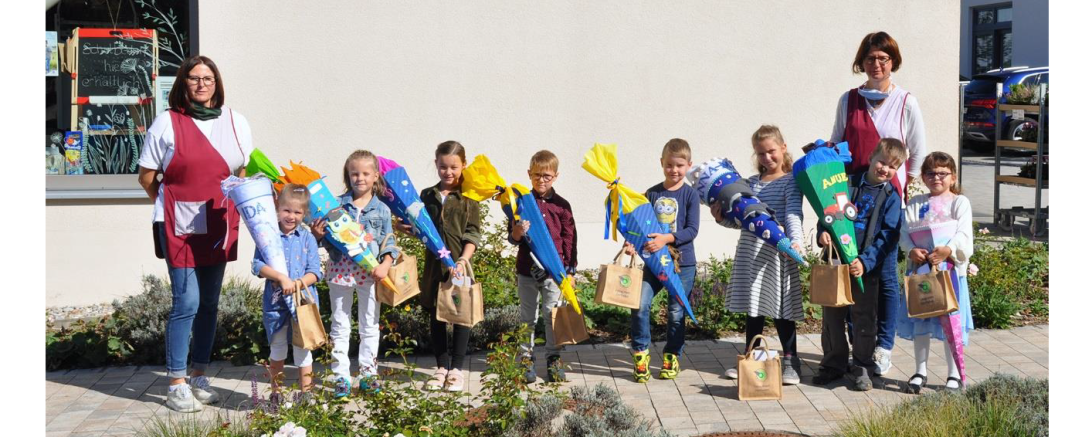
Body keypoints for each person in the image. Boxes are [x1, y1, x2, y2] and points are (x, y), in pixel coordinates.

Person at [137, 55, 253, 413]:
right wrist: (170, 205)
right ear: (183, 84)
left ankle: (199, 375)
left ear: (216, 83)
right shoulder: (166, 123)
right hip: (179, 225)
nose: (201, 84)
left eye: (208, 78)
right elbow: (146, 176)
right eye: (194, 78)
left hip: (218, 223)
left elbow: (242, 172)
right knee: (185, 302)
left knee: (209, 304)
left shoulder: (236, 121)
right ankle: (175, 382)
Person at [813, 139, 907, 391]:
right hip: (838, 263)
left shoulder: (891, 197)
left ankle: (863, 366)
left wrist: (865, 262)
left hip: (866, 268)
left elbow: (888, 235)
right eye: (882, 162)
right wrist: (823, 232)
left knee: (864, 319)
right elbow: (827, 211)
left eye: (893, 167)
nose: (885, 169)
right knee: (832, 317)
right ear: (871, 156)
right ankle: (834, 364)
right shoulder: (847, 183)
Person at [720, 126, 805, 385]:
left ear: (783, 148)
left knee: (782, 309)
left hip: (779, 254)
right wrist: (721, 217)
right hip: (750, 253)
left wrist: (797, 243)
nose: (767, 158)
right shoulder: (749, 184)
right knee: (753, 309)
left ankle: (791, 362)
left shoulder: (791, 181)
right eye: (761, 153)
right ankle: (752, 357)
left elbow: (792, 213)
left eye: (771, 151)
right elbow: (740, 221)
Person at [311, 150, 398, 399]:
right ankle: (341, 376)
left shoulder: (381, 209)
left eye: (365, 173)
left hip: (371, 274)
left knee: (369, 324)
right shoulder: (334, 206)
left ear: (375, 176)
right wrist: (317, 235)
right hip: (340, 271)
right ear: (348, 176)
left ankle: (369, 374)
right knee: (340, 324)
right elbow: (324, 241)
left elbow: (389, 242)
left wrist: (386, 264)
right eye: (354, 173)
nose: (359, 178)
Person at [897, 152, 975, 393]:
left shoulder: (959, 202)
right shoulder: (915, 203)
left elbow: (963, 233)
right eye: (931, 173)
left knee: (950, 323)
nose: (936, 178)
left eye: (943, 173)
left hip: (949, 272)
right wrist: (911, 249)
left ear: (953, 177)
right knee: (922, 320)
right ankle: (920, 370)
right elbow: (904, 232)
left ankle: (953, 374)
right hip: (922, 272)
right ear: (923, 177)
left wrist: (948, 249)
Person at [624, 139, 700, 383]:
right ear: (661, 163)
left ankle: (671, 356)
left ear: (689, 165)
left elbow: (692, 230)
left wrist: (667, 238)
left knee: (677, 312)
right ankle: (641, 355)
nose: (674, 170)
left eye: (679, 165)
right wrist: (630, 243)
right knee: (640, 304)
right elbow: (638, 224)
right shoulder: (652, 193)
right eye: (669, 165)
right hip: (653, 263)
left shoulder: (690, 194)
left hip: (683, 264)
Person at [409, 141, 481, 392]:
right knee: (436, 316)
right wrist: (408, 229)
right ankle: (441, 368)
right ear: (436, 165)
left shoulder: (470, 196)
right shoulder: (427, 195)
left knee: (461, 318)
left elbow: (473, 233)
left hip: (460, 267)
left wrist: (462, 260)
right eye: (442, 167)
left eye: (453, 167)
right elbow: (422, 230)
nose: (448, 172)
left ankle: (457, 369)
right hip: (434, 268)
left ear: (464, 165)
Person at [830, 31, 926, 203]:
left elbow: (918, 152)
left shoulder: (906, 102)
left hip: (890, 194)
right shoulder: (848, 100)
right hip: (853, 191)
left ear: (893, 61)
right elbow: (836, 144)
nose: (876, 64)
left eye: (883, 58)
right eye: (870, 58)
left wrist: (901, 183)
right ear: (862, 62)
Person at [508, 150, 577, 383]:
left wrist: (571, 271)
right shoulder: (521, 203)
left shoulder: (562, 206)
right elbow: (513, 237)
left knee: (551, 315)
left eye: (547, 176)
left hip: (554, 272)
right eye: (537, 175)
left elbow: (570, 239)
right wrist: (518, 231)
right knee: (527, 317)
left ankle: (553, 358)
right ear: (529, 174)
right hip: (526, 270)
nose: (541, 180)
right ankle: (526, 358)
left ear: (555, 176)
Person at [253, 184, 322, 398]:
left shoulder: (307, 238)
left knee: (303, 349)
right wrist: (281, 278)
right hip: (276, 303)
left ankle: (306, 394)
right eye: (286, 210)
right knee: (278, 347)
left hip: (302, 304)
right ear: (277, 207)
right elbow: (257, 265)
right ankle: (277, 393)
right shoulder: (268, 236)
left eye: (297, 212)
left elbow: (316, 272)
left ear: (305, 213)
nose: (291, 216)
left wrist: (298, 283)